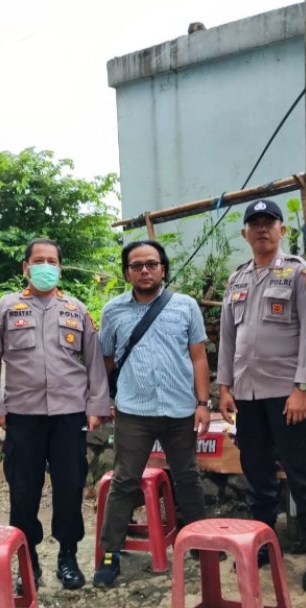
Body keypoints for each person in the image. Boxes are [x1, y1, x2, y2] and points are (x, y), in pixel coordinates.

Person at [0, 238, 109, 592]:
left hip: (69, 414)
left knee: (69, 485)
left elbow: (94, 362)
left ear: (60, 268)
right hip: (23, 415)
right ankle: (26, 560)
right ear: (25, 267)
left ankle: (67, 555)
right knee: (23, 489)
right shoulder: (6, 308)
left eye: (52, 260)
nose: (45, 266)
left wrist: (97, 405)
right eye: (38, 260)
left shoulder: (76, 309)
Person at [217, 199, 306, 592]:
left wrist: (303, 387)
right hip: (246, 396)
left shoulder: (299, 273)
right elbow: (227, 338)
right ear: (244, 233)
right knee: (257, 474)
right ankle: (262, 544)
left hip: (287, 396)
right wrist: (224, 386)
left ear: (282, 230)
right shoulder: (237, 280)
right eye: (255, 223)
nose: (263, 228)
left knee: (303, 474)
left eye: (270, 222)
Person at [93, 240, 208, 587]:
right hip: (134, 411)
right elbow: (107, 360)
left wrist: (203, 403)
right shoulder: (113, 310)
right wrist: (109, 398)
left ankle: (200, 541)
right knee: (125, 480)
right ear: (127, 271)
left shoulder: (186, 306)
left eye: (152, 264)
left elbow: (199, 356)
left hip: (179, 410)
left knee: (187, 476)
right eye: (137, 265)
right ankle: (110, 553)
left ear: (163, 268)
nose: (145, 270)